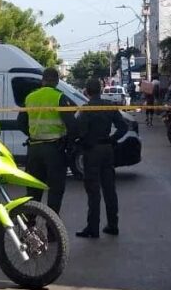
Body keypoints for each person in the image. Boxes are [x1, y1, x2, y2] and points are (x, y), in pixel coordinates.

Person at [17, 68, 78, 214]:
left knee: (33, 191)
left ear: (42, 81)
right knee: (55, 191)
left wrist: (33, 133)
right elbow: (73, 126)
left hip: (34, 149)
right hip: (54, 150)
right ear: (57, 81)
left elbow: (20, 122)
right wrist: (68, 144)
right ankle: (53, 231)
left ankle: (29, 230)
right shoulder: (59, 98)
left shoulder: (30, 97)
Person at [75, 79, 128, 239]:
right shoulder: (109, 106)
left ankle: (93, 228)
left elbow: (79, 130)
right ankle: (113, 225)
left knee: (93, 191)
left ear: (87, 92)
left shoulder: (86, 109)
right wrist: (112, 139)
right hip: (107, 150)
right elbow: (123, 127)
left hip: (92, 151)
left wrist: (82, 142)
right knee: (109, 189)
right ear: (101, 90)